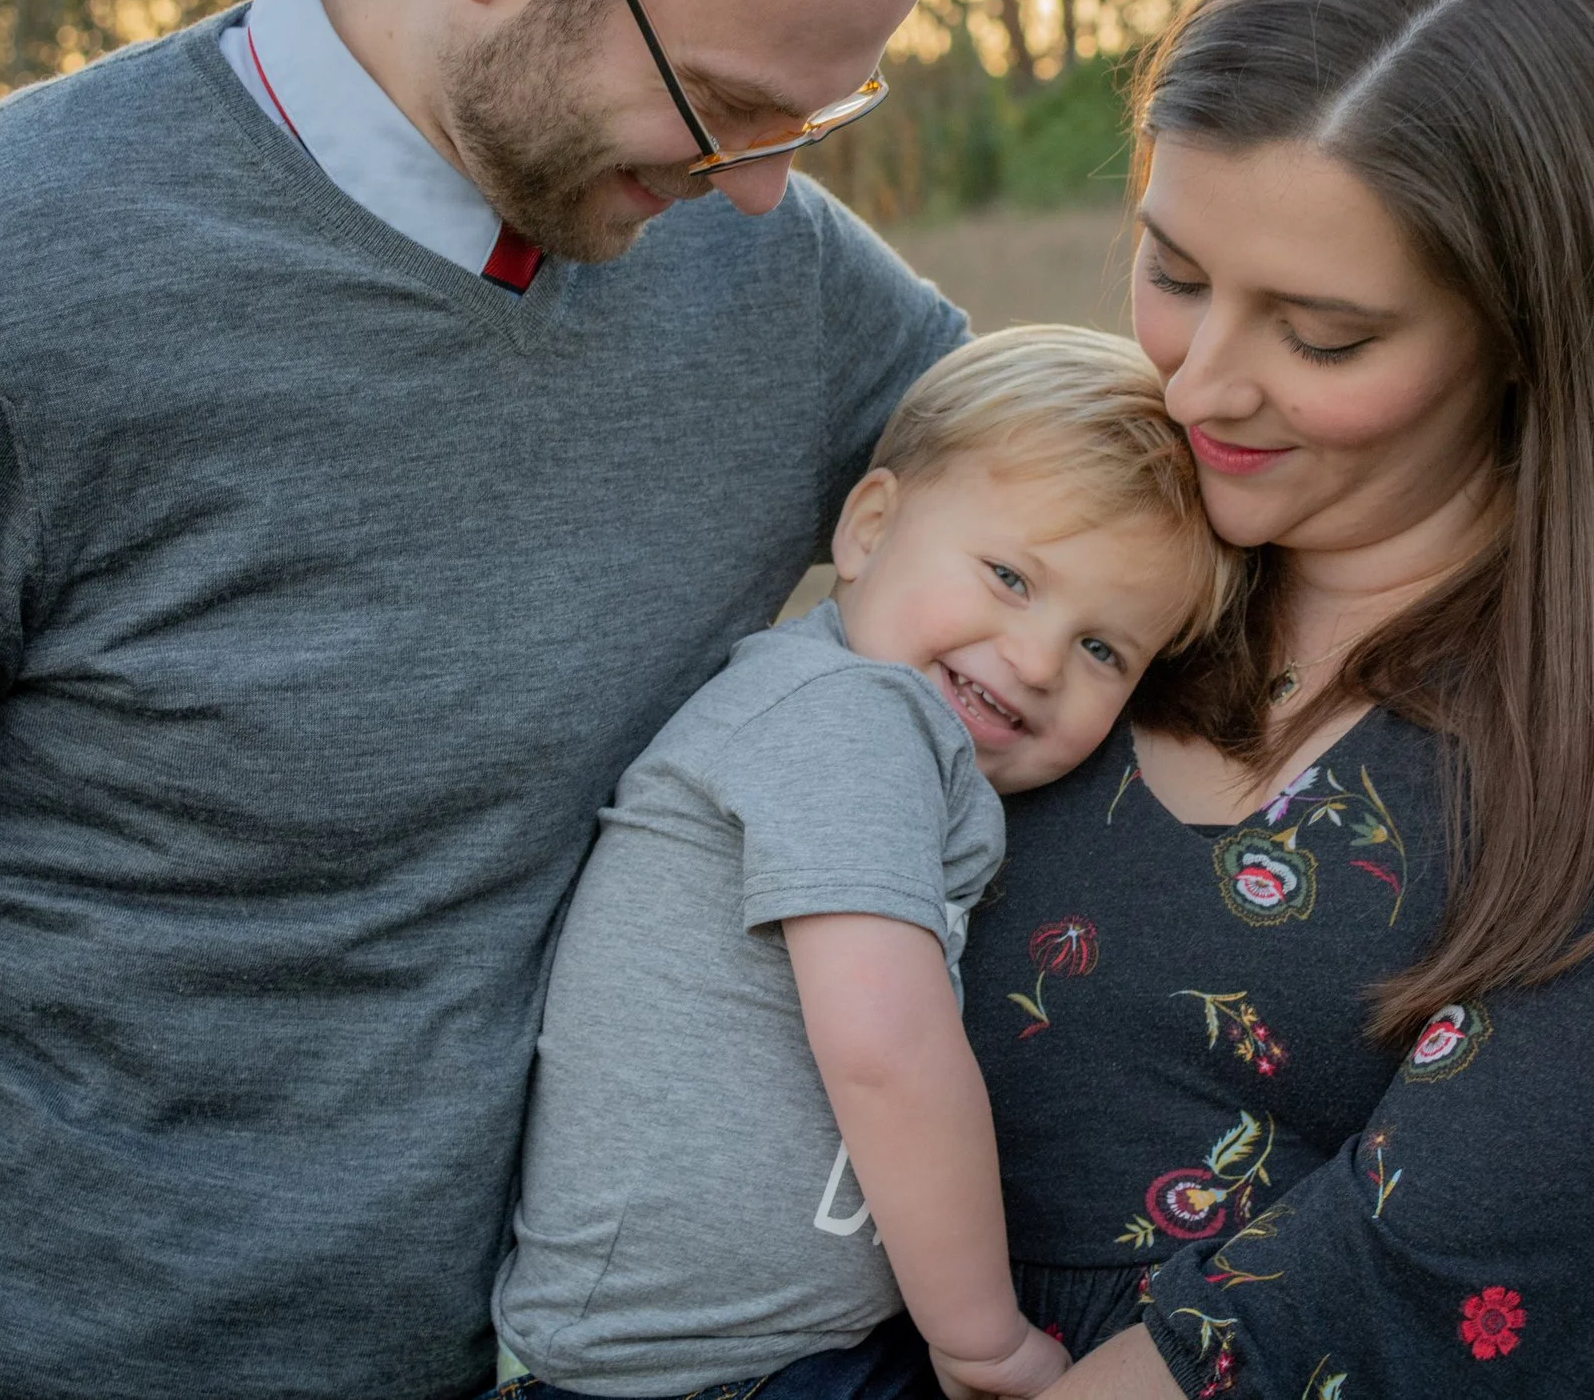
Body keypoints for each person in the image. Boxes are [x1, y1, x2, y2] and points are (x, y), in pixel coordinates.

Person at [0, 0, 959, 1397]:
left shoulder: (773, 281)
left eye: (816, 120)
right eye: (730, 104)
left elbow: (1115, 511)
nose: (762, 193)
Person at [958, 0, 1594, 1400]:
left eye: (1321, 334)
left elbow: (1422, 1296)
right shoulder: (1084, 557)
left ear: (1531, 318)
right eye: (1176, 273)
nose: (1202, 382)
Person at [493, 327, 1243, 1400]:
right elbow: (885, 1046)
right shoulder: (847, 716)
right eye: (1008, 575)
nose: (1034, 660)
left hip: (781, 1347)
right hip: (689, 1371)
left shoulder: (885, 728)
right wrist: (981, 1335)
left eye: (1101, 648)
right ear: (871, 523)